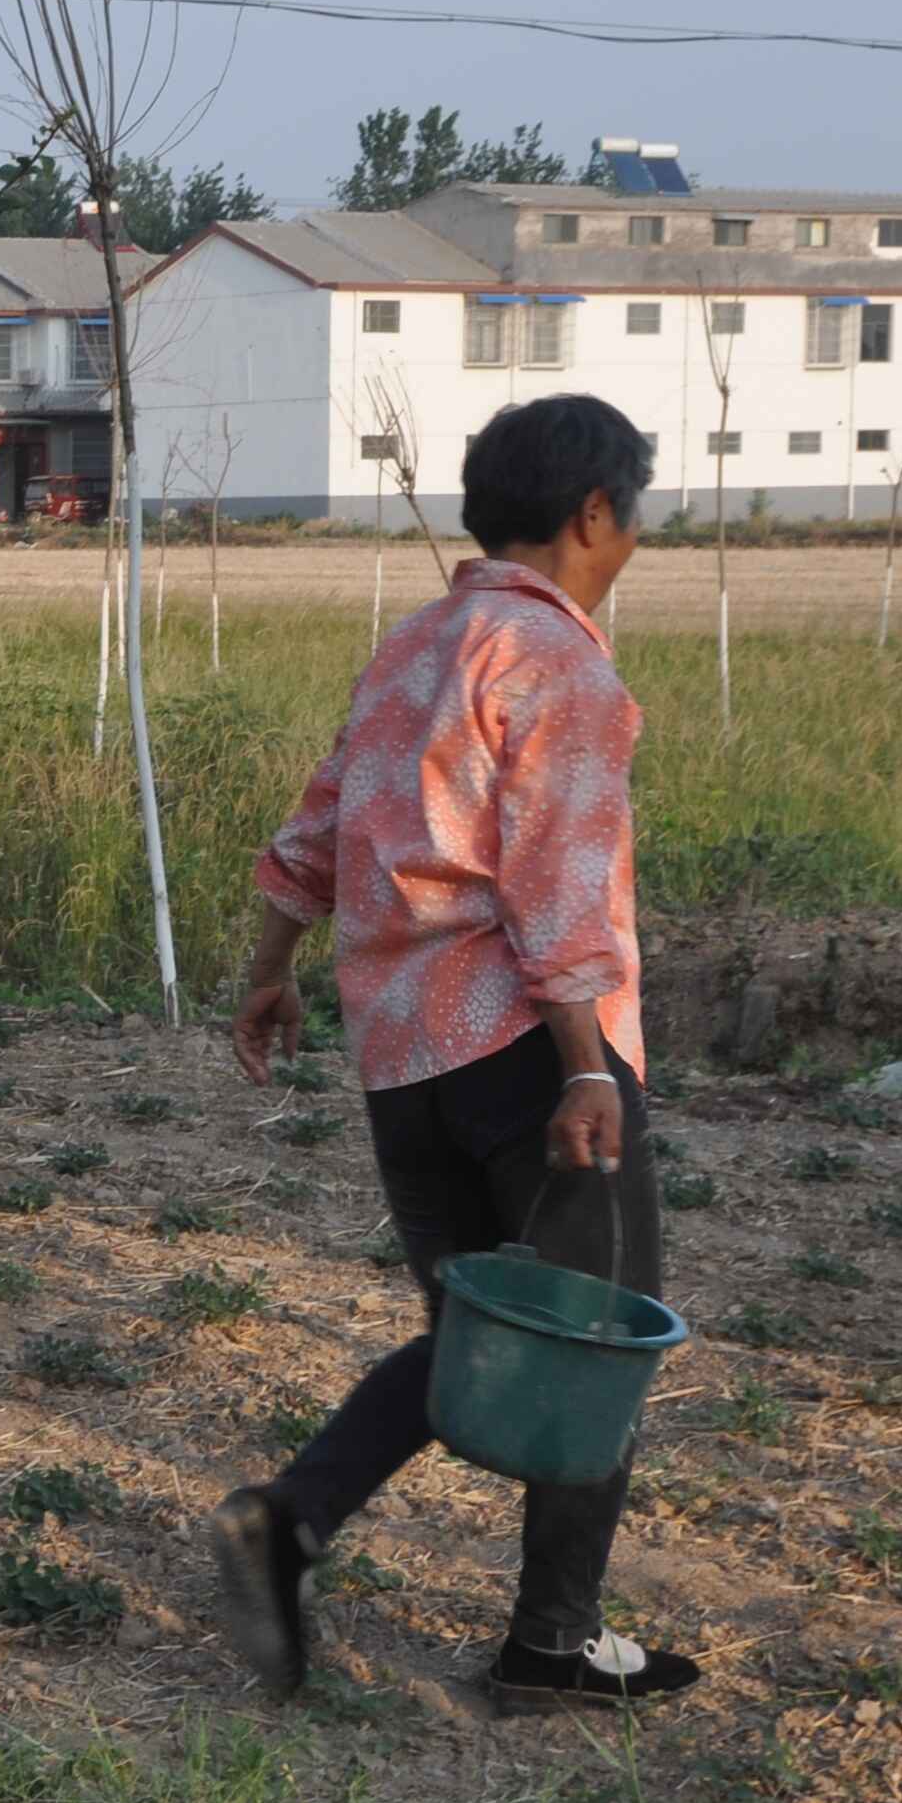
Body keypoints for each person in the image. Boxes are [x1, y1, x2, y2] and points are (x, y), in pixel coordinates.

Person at [208, 391, 702, 1717]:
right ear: (594, 514)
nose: (631, 541)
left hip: (403, 1065)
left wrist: (268, 973)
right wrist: (589, 1068)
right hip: (530, 1059)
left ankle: (295, 1523)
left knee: (481, 1342)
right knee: (590, 1347)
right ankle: (550, 1639)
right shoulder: (560, 668)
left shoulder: (414, 648)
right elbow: (558, 890)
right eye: (630, 516)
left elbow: (316, 830)